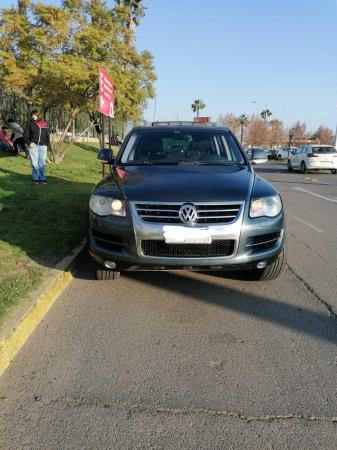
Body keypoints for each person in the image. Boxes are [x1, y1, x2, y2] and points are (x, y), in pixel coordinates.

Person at [24, 110, 50, 184]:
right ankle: (35, 178)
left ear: (38, 115)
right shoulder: (30, 124)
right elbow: (25, 135)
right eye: (32, 115)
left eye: (35, 115)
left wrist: (47, 144)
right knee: (34, 163)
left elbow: (47, 134)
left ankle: (42, 178)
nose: (33, 116)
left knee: (42, 163)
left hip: (43, 146)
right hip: (33, 146)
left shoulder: (44, 123)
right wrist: (29, 143)